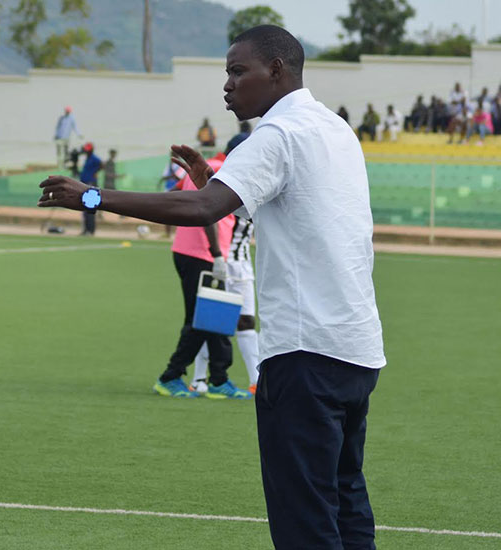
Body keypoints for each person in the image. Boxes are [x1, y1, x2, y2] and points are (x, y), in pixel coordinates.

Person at [39, 25, 385, 549]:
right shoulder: (336, 130)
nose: (227, 85)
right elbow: (250, 203)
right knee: (346, 500)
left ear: (276, 70)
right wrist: (210, 179)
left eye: (236, 71)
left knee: (307, 521)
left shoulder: (278, 135)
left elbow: (204, 211)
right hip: (356, 351)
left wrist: (92, 197)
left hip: (304, 353)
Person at [154, 154, 251, 399]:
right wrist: (217, 254)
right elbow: (208, 212)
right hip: (203, 254)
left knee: (215, 317)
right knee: (201, 319)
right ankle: (170, 376)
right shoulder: (218, 171)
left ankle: (219, 379)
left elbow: (176, 192)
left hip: (193, 251)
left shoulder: (209, 168)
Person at [79, 142, 102, 236]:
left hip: (91, 185)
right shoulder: (87, 159)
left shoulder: (94, 158)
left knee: (90, 208)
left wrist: (95, 173)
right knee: (84, 208)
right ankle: (86, 229)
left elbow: (101, 164)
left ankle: (90, 230)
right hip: (84, 184)